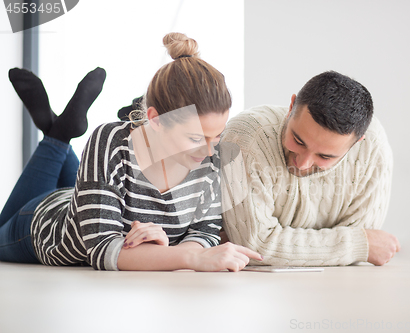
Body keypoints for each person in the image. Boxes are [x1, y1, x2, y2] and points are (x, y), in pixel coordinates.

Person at [0, 32, 262, 271]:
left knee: (88, 190)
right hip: (45, 223)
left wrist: (168, 250)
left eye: (217, 135)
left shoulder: (214, 156)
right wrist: (189, 257)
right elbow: (102, 249)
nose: (208, 150)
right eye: (195, 137)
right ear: (156, 120)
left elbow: (204, 232)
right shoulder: (111, 140)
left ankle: (57, 131)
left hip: (92, 197)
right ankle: (57, 135)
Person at [220, 71, 400, 266]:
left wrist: (280, 244)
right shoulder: (246, 137)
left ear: (356, 144)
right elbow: (255, 246)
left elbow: (360, 236)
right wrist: (356, 245)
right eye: (298, 141)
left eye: (325, 156)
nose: (303, 163)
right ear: (290, 107)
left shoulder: (373, 149)